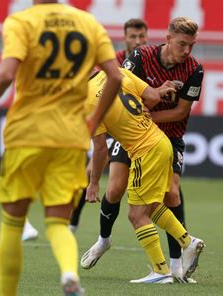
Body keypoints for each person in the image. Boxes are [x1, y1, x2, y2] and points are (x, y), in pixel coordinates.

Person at [0, 1, 122, 295]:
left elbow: (6, 75)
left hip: (27, 133)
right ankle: (70, 274)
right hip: (71, 136)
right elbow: (115, 76)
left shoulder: (21, 22)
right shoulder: (88, 22)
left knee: (12, 221)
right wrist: (94, 121)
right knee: (58, 223)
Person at [81, 16, 204, 284]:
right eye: (182, 44)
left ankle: (166, 269)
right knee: (121, 192)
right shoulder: (125, 68)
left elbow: (100, 150)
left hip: (154, 141)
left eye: (190, 45)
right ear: (169, 39)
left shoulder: (86, 102)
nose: (187, 50)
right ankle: (183, 241)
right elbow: (149, 96)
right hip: (149, 141)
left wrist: (92, 183)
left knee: (144, 210)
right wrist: (150, 103)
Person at [68, 18, 148, 233]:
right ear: (125, 38)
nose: (138, 41)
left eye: (142, 36)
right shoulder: (114, 62)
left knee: (170, 188)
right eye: (133, 36)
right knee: (90, 171)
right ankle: (73, 221)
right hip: (109, 123)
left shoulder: (148, 59)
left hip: (137, 124)